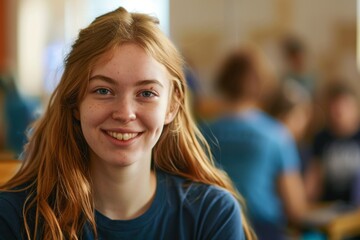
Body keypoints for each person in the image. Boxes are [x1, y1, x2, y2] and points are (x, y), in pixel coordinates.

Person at [0, 7, 255, 240]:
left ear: (172, 106)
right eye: (103, 91)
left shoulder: (211, 214)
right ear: (75, 102)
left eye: (146, 93)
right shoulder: (15, 217)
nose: (125, 113)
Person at [201, 46, 307, 239]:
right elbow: (295, 208)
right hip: (263, 231)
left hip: (212, 229)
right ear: (261, 83)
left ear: (223, 81)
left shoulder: (200, 134)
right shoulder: (277, 135)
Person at [306, 81, 360, 204]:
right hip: (331, 206)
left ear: (355, 108)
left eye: (345, 106)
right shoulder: (321, 138)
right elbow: (314, 178)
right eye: (335, 107)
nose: (339, 113)